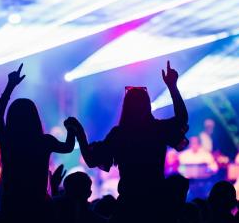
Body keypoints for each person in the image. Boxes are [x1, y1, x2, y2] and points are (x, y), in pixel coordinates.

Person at [67, 61, 189, 204]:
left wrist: (80, 133)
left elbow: (92, 160)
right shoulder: (158, 129)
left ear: (126, 106)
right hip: (156, 202)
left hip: (129, 203)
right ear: (147, 105)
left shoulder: (119, 134)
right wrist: (173, 87)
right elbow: (182, 119)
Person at [0, 63, 76, 208]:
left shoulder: (8, 141)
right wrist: (71, 129)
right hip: (38, 204)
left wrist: (10, 86)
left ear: (11, 118)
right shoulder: (44, 141)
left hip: (11, 203)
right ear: (35, 118)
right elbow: (68, 147)